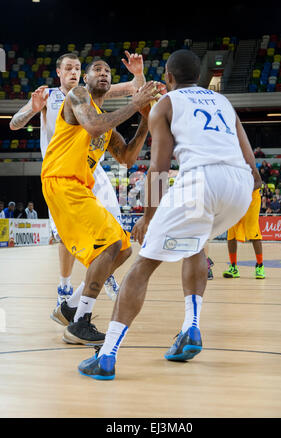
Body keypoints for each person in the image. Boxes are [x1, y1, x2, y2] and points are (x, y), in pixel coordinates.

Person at [77, 49, 259, 380]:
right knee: (196, 243)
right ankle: (191, 328)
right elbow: (252, 165)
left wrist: (148, 216)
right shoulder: (223, 103)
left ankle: (106, 357)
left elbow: (159, 167)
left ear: (169, 78)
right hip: (240, 186)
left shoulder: (167, 104)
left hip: (201, 181)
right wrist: (246, 189)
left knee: (142, 266)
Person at [9, 51, 146, 305]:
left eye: (77, 68)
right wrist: (32, 110)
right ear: (59, 72)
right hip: (62, 169)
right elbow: (15, 124)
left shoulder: (91, 92)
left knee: (117, 232)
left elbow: (134, 89)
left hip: (91, 170)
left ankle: (100, 277)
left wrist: (138, 74)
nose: (73, 72)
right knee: (65, 236)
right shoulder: (50, 95)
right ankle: (65, 285)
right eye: (68, 68)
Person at [42, 59, 158, 345]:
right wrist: (134, 104)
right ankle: (80, 323)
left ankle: (71, 309)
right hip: (61, 180)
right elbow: (92, 126)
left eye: (107, 71)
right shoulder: (77, 97)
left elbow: (128, 158)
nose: (104, 73)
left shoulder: (106, 122)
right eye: (97, 70)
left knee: (122, 248)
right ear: (86, 79)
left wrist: (144, 117)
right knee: (109, 244)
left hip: (79, 187)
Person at [222, 187, 266, 280]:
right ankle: (233, 267)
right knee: (231, 232)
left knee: (253, 231)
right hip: (236, 197)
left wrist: (244, 189)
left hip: (251, 197)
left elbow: (258, 182)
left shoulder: (252, 171)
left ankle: (260, 266)